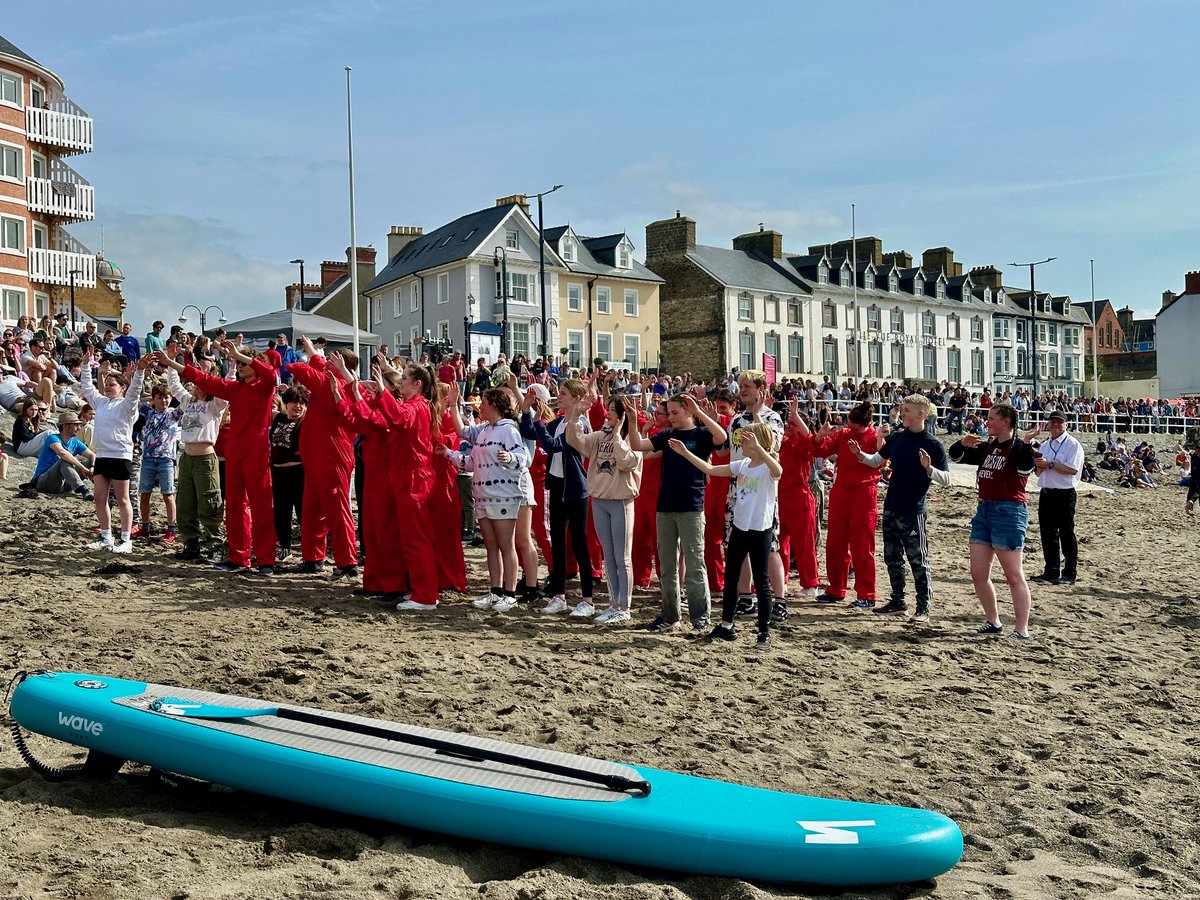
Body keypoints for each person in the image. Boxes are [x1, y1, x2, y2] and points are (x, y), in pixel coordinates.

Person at [670, 423, 781, 649]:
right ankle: (727, 625)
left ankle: (763, 633)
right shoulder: (743, 465)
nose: (741, 442)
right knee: (731, 578)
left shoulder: (767, 468)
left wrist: (760, 448)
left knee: (761, 581)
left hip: (760, 530)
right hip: (739, 527)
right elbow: (710, 470)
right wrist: (686, 453)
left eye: (747, 438)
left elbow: (778, 471)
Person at [626, 393, 727, 632]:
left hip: (691, 505)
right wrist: (632, 421)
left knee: (694, 563)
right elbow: (637, 446)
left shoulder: (700, 435)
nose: (670, 418)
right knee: (668, 565)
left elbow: (721, 437)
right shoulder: (667, 435)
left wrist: (700, 413)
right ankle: (670, 616)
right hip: (665, 506)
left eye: (675, 413)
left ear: (688, 411)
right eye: (668, 413)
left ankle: (700, 618)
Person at [180, 340, 278, 575]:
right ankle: (238, 556)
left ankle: (266, 560)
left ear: (254, 364)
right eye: (236, 361)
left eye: (243, 362)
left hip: (256, 451)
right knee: (234, 506)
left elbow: (272, 374)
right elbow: (205, 381)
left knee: (261, 505)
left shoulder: (264, 386)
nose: (239, 365)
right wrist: (176, 363)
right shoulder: (235, 389)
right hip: (234, 450)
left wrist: (242, 355)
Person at [849, 394, 949, 623]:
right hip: (891, 507)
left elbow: (946, 479)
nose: (901, 413)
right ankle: (898, 601)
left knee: (918, 560)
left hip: (913, 510)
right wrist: (859, 455)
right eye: (902, 410)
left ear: (921, 414)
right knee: (892, 557)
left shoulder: (932, 444)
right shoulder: (896, 439)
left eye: (906, 410)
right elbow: (876, 461)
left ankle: (923, 607)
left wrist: (929, 468)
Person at [949, 403, 1037, 640]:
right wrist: (962, 444)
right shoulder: (989, 447)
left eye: (992, 419)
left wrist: (1027, 444)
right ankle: (993, 621)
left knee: (1013, 574)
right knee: (978, 572)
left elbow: (1025, 468)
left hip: (1009, 511)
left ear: (1006, 421)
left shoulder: (1018, 446)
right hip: (984, 508)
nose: (987, 423)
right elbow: (955, 456)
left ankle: (1021, 629)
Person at [442, 387, 530, 611]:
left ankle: (509, 593)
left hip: (503, 495)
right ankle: (495, 590)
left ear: (494, 405)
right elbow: (471, 461)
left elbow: (523, 457)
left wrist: (509, 457)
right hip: (483, 495)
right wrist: (449, 454)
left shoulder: (509, 430)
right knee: (491, 545)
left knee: (505, 544)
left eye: (483, 402)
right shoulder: (484, 430)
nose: (480, 406)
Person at [520, 378, 595, 617]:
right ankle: (559, 596)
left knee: (580, 544)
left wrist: (540, 420)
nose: (558, 396)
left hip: (575, 488)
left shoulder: (578, 423)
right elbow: (529, 432)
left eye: (563, 394)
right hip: (558, 486)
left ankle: (587, 599)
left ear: (575, 398)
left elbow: (553, 446)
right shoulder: (560, 420)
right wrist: (526, 411)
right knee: (559, 542)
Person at [566, 392, 642, 624]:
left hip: (620, 500)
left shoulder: (632, 438)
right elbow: (576, 441)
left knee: (622, 557)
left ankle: (624, 606)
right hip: (599, 500)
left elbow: (628, 462)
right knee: (608, 556)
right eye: (607, 409)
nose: (607, 413)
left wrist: (618, 436)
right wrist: (576, 416)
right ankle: (613, 602)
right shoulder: (600, 436)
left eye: (611, 410)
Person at [286, 336, 359, 578]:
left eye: (331, 361)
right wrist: (312, 352)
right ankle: (313, 557)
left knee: (337, 510)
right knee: (313, 509)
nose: (326, 363)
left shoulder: (332, 385)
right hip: (319, 457)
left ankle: (347, 561)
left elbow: (297, 368)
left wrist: (304, 354)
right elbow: (317, 368)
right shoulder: (333, 382)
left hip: (331, 456)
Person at [811, 401, 882, 607]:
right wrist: (821, 435)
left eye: (855, 428)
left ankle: (867, 594)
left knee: (863, 546)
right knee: (835, 543)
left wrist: (876, 443)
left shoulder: (874, 438)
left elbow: (881, 461)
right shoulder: (843, 435)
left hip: (864, 494)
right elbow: (820, 450)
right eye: (849, 426)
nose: (851, 430)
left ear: (867, 424)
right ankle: (835, 589)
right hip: (841, 492)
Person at [79, 347, 148, 554]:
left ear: (122, 388)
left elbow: (135, 391)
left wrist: (139, 372)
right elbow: (87, 387)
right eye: (106, 384)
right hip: (102, 456)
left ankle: (126, 539)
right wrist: (85, 365)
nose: (107, 387)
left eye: (112, 385)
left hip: (120, 457)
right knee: (100, 498)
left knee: (123, 499)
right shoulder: (101, 403)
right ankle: (106, 537)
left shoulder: (127, 406)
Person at [161, 353, 228, 562]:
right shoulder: (188, 401)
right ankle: (191, 543)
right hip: (187, 457)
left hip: (205, 459)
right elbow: (174, 385)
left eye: (200, 383)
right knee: (185, 503)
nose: (196, 386)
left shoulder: (215, 404)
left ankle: (215, 544)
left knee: (208, 501)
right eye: (195, 383)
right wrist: (172, 363)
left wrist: (230, 366)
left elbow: (224, 389)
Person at [1023, 411, 1084, 586]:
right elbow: (1038, 471)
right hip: (1047, 491)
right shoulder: (1045, 445)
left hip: (1065, 492)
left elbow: (1073, 469)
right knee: (1048, 533)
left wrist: (1050, 464)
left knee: (1066, 533)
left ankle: (1069, 573)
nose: (1056, 425)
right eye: (1053, 422)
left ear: (1066, 425)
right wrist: (1039, 465)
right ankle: (1051, 571)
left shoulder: (1072, 444)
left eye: (1059, 422)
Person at [133, 384, 182, 542]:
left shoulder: (173, 414)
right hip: (148, 458)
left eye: (167, 397)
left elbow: (186, 403)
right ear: (154, 399)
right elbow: (136, 399)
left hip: (166, 459)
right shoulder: (148, 412)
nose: (164, 400)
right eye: (160, 398)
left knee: (168, 495)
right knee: (145, 494)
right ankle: (145, 527)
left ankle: (171, 529)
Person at [269, 386, 306, 562]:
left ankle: (309, 550)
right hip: (278, 471)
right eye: (293, 402)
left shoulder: (306, 420)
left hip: (299, 472)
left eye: (301, 403)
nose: (297, 406)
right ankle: (285, 547)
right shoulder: (278, 418)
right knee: (281, 512)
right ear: (286, 403)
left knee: (302, 512)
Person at [31, 411, 94, 500]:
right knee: (64, 461)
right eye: (75, 425)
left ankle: (106, 488)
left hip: (64, 484)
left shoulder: (75, 442)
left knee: (89, 461)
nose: (79, 428)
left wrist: (92, 466)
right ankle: (83, 489)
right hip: (44, 482)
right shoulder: (53, 438)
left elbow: (92, 455)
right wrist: (82, 468)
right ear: (65, 426)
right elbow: (62, 453)